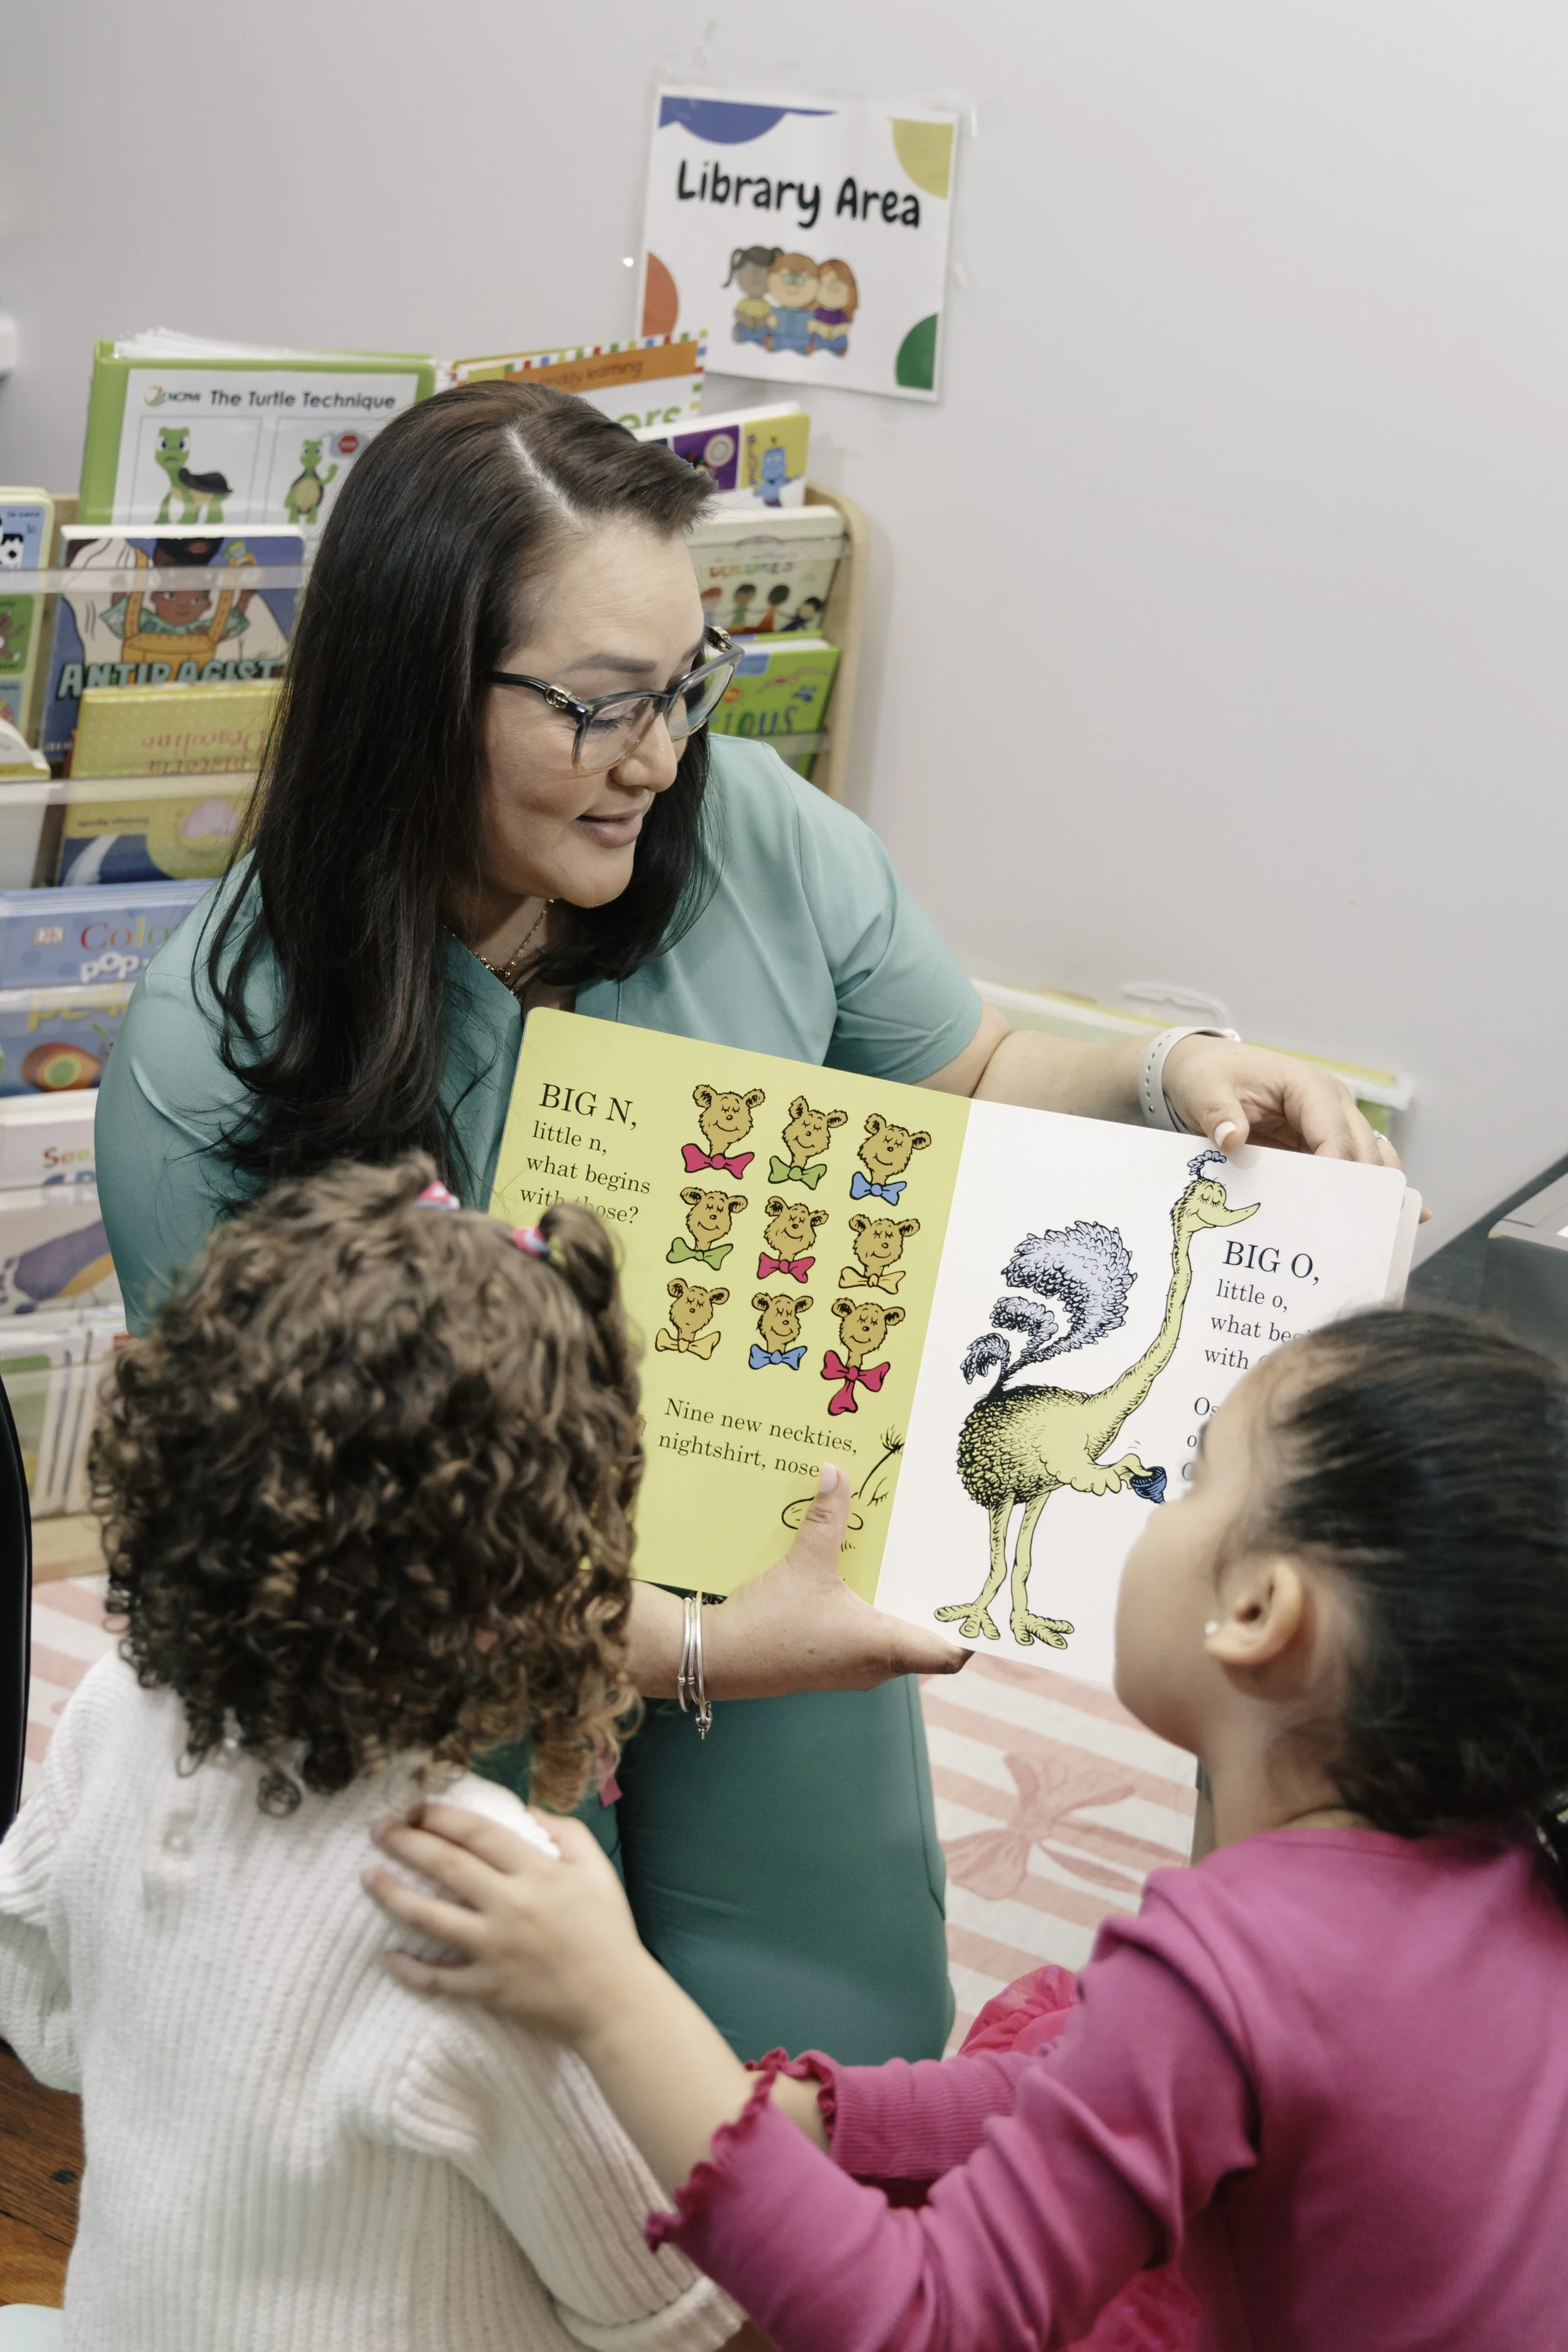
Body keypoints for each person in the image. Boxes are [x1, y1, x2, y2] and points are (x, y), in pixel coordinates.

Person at [95, 377, 1399, 2069]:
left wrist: (1176, 1073)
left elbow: (968, 1069)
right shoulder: (216, 1058)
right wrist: (688, 1641)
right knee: (477, 2115)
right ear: (415, 690)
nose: (658, 756)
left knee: (833, 2076)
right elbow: (307, 1565)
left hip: (760, 1528)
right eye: (600, 704)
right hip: (423, 1642)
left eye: (687, 685)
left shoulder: (749, 840)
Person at [368, 1308, 1568, 2352]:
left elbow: (923, 2322)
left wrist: (606, 1993)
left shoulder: (1227, 1962)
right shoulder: (1511, 1876)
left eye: (1192, 1480)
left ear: (1257, 1611)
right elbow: (1111, 2081)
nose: (1160, 1501)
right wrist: (824, 2118)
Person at [0, 1157, 769, 2351]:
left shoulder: (115, 1706)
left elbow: (43, 2019)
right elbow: (663, 2296)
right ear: (531, 1578)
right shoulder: (480, 1885)